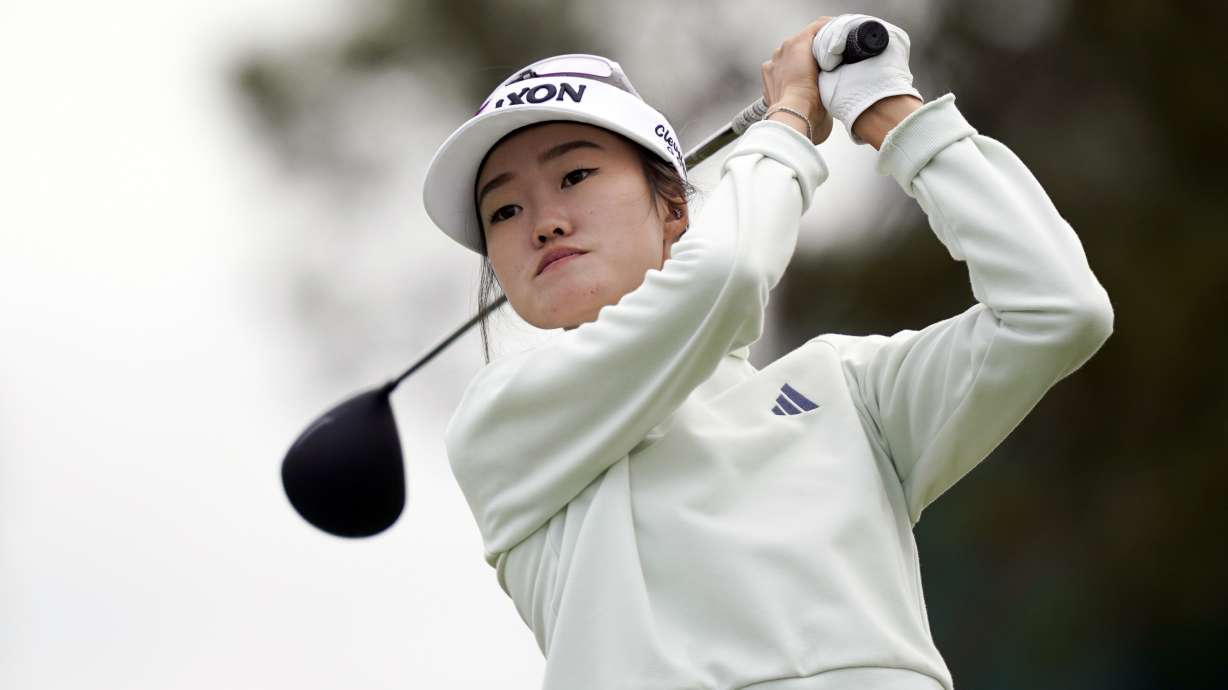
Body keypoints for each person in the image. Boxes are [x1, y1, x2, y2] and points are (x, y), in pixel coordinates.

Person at [421, 13, 1113, 690]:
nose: (544, 223)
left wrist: (894, 115)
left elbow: (1055, 309)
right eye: (503, 211)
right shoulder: (504, 423)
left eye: (574, 177)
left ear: (673, 209)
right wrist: (788, 122)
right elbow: (728, 274)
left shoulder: (847, 388)